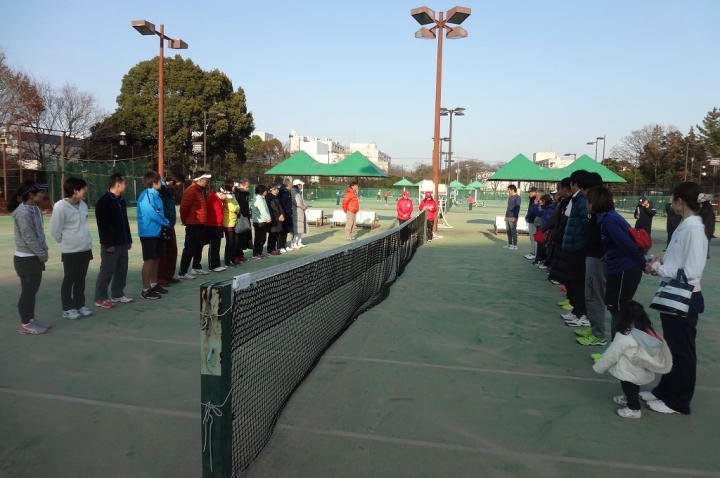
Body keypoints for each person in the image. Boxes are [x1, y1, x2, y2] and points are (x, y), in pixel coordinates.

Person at [642, 183, 714, 415]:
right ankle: (664, 391)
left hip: (685, 298)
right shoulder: (686, 225)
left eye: (672, 198)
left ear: (680, 201)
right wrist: (661, 261)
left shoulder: (694, 229)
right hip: (674, 296)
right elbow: (679, 260)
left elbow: (691, 271)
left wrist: (659, 269)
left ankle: (679, 401)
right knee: (672, 349)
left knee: (682, 353)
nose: (670, 202)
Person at [592, 301, 672, 419]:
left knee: (629, 387)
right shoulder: (647, 333)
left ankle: (634, 408)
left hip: (628, 370)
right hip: (640, 370)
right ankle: (627, 399)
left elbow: (611, 355)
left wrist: (599, 367)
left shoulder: (624, 336)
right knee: (633, 387)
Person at [588, 187, 647, 339]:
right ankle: (617, 346)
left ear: (596, 202)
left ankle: (618, 347)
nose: (587, 204)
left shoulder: (610, 220)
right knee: (616, 309)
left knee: (619, 311)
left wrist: (644, 264)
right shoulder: (607, 218)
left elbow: (627, 244)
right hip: (619, 269)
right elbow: (617, 243)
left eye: (589, 201)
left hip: (624, 270)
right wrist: (608, 254)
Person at [50, 177, 94, 320]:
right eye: (83, 188)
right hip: (70, 251)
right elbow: (55, 230)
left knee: (81, 279)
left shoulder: (83, 205)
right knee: (69, 279)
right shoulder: (61, 207)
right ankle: (67, 309)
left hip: (85, 249)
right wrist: (66, 242)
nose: (86, 190)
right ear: (75, 191)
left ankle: (80, 305)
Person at [10, 181, 51, 335]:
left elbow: (40, 233)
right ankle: (25, 325)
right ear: (32, 195)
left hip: (34, 257)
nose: (44, 194)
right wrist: (41, 254)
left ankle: (31, 319)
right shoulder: (22, 213)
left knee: (32, 291)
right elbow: (29, 238)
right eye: (41, 192)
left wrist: (43, 250)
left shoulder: (36, 209)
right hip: (26, 259)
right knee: (28, 292)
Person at [575, 173, 607, 345]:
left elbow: (622, 240)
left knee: (594, 295)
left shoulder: (605, 216)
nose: (582, 193)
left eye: (583, 189)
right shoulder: (597, 214)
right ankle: (595, 327)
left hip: (597, 259)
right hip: (591, 255)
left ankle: (599, 334)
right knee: (591, 294)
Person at [94, 173, 133, 309]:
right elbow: (103, 225)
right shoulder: (104, 201)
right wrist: (108, 243)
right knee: (107, 271)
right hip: (111, 244)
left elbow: (125, 221)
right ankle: (100, 297)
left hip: (122, 241)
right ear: (118, 184)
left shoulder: (121, 200)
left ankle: (117, 294)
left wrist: (128, 239)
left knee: (122, 269)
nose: (126, 185)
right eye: (125, 182)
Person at [560, 170, 589, 326]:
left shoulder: (581, 200)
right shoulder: (577, 199)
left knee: (580, 282)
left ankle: (582, 313)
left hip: (578, 247)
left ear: (575, 184)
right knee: (575, 282)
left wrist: (580, 243)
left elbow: (586, 224)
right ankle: (577, 311)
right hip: (573, 246)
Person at [137, 171, 170, 300]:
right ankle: (145, 290)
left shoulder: (156, 195)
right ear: (153, 183)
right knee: (149, 260)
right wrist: (166, 223)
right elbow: (153, 213)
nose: (162, 182)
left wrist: (163, 226)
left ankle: (153, 284)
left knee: (156, 259)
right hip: (148, 233)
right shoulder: (146, 196)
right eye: (159, 180)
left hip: (157, 232)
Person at [178, 172, 211, 279]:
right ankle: (183, 272)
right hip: (193, 224)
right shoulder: (190, 191)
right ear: (200, 179)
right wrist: (185, 221)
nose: (207, 181)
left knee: (199, 246)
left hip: (200, 224)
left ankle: (196, 267)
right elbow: (184, 208)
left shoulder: (199, 191)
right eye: (205, 179)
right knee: (189, 248)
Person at [157, 171, 184, 285]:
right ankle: (160, 277)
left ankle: (169, 276)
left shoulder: (170, 190)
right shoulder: (160, 190)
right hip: (161, 226)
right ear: (172, 181)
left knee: (172, 250)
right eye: (178, 184)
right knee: (162, 252)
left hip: (170, 225)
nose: (178, 187)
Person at [205, 183, 227, 272]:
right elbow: (207, 211)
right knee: (213, 246)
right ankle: (213, 266)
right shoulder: (212, 198)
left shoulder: (222, 200)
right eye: (226, 195)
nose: (226, 197)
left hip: (219, 225)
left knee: (217, 246)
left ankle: (217, 264)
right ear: (221, 192)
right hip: (212, 226)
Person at [221, 180, 241, 267]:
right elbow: (233, 208)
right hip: (228, 222)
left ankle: (232, 259)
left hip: (234, 221)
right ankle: (227, 261)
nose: (235, 188)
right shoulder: (227, 196)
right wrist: (237, 207)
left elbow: (237, 206)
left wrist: (237, 207)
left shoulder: (232, 195)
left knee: (235, 242)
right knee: (230, 242)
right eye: (233, 186)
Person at [233, 178, 252, 261]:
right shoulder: (237, 193)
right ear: (241, 185)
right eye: (247, 187)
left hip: (245, 218)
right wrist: (239, 216)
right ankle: (235, 256)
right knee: (237, 238)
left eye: (248, 187)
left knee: (243, 237)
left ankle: (240, 254)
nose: (248, 188)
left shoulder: (245, 194)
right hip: (239, 219)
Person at [252, 185, 272, 258]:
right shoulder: (258, 199)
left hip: (262, 221)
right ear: (261, 191)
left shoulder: (262, 198)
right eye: (265, 190)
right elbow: (263, 210)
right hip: (259, 222)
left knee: (262, 238)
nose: (266, 191)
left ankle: (259, 252)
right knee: (259, 238)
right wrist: (268, 218)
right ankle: (256, 253)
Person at [266, 185, 284, 255]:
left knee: (276, 234)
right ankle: (270, 249)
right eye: (276, 189)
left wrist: (282, 214)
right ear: (272, 190)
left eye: (277, 189)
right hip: (273, 218)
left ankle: (273, 248)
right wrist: (280, 214)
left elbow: (280, 207)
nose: (277, 190)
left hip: (277, 218)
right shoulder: (269, 197)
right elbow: (274, 207)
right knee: (272, 234)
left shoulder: (275, 197)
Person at [277, 177, 293, 253]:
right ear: (288, 184)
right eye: (291, 184)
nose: (292, 185)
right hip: (283, 214)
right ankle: (280, 246)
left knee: (286, 230)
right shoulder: (282, 192)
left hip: (288, 214)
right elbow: (281, 205)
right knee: (282, 231)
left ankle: (285, 245)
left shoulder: (288, 192)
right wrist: (281, 214)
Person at [291, 179, 308, 248]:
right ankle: (294, 243)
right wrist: (302, 206)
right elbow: (296, 202)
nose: (301, 186)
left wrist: (305, 205)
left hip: (301, 212)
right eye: (300, 185)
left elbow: (303, 201)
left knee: (301, 228)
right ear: (297, 185)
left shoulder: (299, 192)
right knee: (296, 229)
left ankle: (299, 242)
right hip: (296, 212)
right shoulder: (293, 192)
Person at [503, 185, 521, 250]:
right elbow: (508, 207)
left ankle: (515, 245)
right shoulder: (510, 197)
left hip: (513, 217)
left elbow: (517, 208)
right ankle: (509, 243)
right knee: (508, 230)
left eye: (509, 190)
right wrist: (506, 215)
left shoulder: (518, 197)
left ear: (512, 190)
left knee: (513, 230)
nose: (508, 191)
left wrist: (515, 217)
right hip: (508, 216)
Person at [524, 187, 539, 259]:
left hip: (534, 221)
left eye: (530, 192)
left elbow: (534, 211)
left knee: (534, 238)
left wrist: (528, 216)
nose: (529, 194)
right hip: (531, 220)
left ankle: (535, 253)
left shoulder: (536, 200)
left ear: (535, 193)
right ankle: (533, 252)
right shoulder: (531, 200)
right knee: (531, 237)